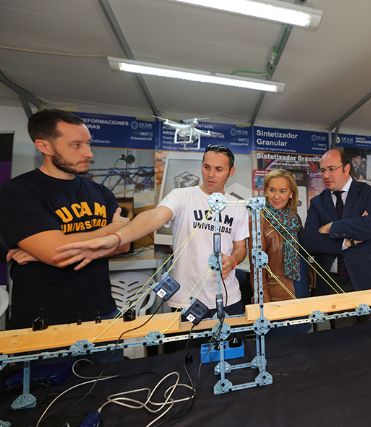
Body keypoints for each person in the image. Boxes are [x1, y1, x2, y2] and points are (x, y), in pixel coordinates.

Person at [55, 144, 248, 317]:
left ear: (231, 171)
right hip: (186, 299)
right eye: (206, 167)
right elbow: (155, 216)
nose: (211, 174)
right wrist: (117, 238)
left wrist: (232, 260)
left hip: (229, 298)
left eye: (218, 169)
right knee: (187, 356)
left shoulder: (238, 205)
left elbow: (241, 248)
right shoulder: (182, 196)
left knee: (234, 355)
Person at [0, 109, 129, 329]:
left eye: (88, 144)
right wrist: (112, 230)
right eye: (76, 145)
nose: (88, 153)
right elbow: (56, 253)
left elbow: (124, 245)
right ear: (44, 146)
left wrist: (47, 250)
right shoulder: (17, 192)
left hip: (103, 314)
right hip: (44, 322)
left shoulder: (101, 192)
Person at [304, 148, 371, 296]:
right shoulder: (317, 203)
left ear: (346, 168)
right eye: (323, 170)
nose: (326, 175)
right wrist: (346, 242)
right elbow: (310, 241)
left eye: (331, 169)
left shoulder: (370, 193)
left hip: (369, 282)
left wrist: (330, 227)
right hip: (331, 284)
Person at [253, 169, 308, 303]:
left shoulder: (294, 218)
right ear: (266, 191)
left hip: (300, 284)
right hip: (277, 292)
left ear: (291, 193)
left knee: (303, 322)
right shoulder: (258, 220)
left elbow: (303, 254)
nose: (276, 196)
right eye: (272, 190)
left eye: (282, 191)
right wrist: (264, 301)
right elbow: (257, 268)